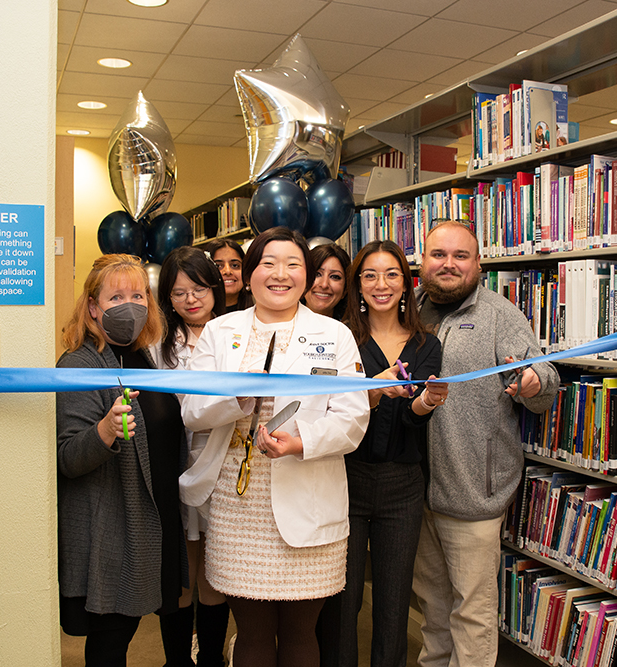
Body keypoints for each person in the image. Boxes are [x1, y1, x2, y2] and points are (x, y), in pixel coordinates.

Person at [180, 227, 370, 667]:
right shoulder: (218, 330)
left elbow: (353, 419)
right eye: (267, 263)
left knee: (302, 633)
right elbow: (192, 411)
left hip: (309, 499)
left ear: (306, 276)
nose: (279, 274)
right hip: (238, 505)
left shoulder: (334, 334)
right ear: (249, 276)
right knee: (253, 632)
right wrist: (237, 399)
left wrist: (301, 442)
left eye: (292, 265)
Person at [412, 221, 560, 667]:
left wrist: (534, 381)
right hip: (414, 493)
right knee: (432, 611)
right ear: (423, 260)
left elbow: (547, 382)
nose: (449, 265)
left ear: (479, 263)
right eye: (439, 255)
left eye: (461, 256)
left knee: (472, 614)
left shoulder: (500, 314)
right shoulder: (407, 309)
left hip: (473, 493)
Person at [56, 254, 189, 667]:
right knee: (112, 640)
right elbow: (67, 458)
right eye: (116, 296)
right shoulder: (79, 363)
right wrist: (105, 431)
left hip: (158, 514)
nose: (130, 305)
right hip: (113, 524)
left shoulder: (144, 356)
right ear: (93, 307)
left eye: (138, 294)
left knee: (158, 616)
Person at [325, 240, 448, 667]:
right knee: (344, 600)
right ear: (357, 284)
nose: (382, 284)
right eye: (371, 275)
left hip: (403, 487)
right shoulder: (340, 340)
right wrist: (372, 391)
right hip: (347, 480)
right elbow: (333, 409)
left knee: (395, 604)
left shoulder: (426, 344)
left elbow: (413, 418)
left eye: (392, 274)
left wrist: (427, 403)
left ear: (406, 283)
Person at [153, 246, 230, 667]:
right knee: (182, 572)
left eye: (199, 288)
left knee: (215, 575)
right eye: (179, 293)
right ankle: (177, 661)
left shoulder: (236, 333)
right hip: (179, 466)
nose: (190, 300)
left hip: (225, 464)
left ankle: (213, 658)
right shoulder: (158, 348)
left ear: (215, 287)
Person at [304, 243, 351, 319]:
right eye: (317, 274)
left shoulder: (347, 330)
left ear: (345, 289)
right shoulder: (280, 327)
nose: (324, 284)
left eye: (334, 277)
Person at [206, 238, 251, 313]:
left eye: (235, 265)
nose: (227, 271)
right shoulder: (196, 318)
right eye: (218, 266)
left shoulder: (261, 313)